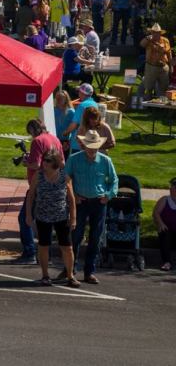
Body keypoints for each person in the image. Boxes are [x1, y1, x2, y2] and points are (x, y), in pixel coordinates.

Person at [65, 130, 118, 284]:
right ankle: (71, 270)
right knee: (76, 237)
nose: (92, 150)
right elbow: (66, 178)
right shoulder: (74, 160)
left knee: (95, 238)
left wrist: (108, 195)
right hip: (80, 202)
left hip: (98, 203)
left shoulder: (105, 161)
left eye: (95, 147)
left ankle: (89, 272)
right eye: (89, 146)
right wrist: (74, 194)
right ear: (83, 145)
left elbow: (114, 180)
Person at [25, 150, 80, 287]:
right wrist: (29, 214)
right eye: (44, 160)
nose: (44, 163)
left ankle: (70, 276)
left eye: (48, 161)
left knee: (67, 247)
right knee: (43, 246)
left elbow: (71, 199)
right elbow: (31, 195)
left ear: (55, 164)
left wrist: (73, 218)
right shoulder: (39, 175)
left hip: (61, 216)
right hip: (43, 216)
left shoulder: (64, 177)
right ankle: (45, 275)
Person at [16, 119, 65, 263]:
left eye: (30, 133)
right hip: (53, 186)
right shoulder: (55, 140)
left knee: (25, 219)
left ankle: (29, 252)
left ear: (33, 130)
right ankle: (46, 255)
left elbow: (36, 164)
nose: (31, 136)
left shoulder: (37, 141)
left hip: (38, 186)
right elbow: (62, 163)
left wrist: (26, 163)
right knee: (46, 221)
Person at [63, 83, 98, 153]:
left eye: (79, 91)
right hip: (90, 139)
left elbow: (74, 124)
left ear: (82, 93)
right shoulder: (95, 104)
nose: (78, 93)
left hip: (78, 143)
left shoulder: (82, 106)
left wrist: (65, 133)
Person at [140, 23, 171, 100]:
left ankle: (161, 107)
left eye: (157, 32)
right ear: (151, 32)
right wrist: (147, 39)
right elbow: (141, 44)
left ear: (160, 33)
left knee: (163, 88)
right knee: (148, 88)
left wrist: (171, 66)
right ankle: (147, 105)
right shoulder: (148, 40)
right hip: (151, 67)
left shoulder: (165, 40)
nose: (155, 34)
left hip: (163, 67)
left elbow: (169, 52)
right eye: (154, 32)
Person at [151, 177, 176, 271]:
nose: (172, 189)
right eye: (172, 187)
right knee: (165, 233)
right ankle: (167, 262)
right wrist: (161, 223)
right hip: (167, 230)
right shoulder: (165, 199)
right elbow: (155, 213)